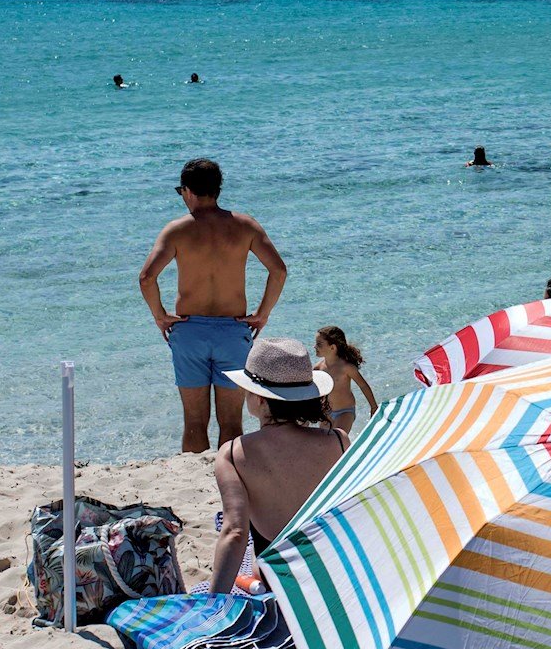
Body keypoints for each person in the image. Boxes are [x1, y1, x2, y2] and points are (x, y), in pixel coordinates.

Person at [138, 157, 289, 453]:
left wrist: (160, 316)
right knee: (231, 421)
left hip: (189, 331)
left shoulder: (177, 230)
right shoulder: (245, 226)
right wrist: (262, 315)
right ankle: (229, 475)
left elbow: (146, 278)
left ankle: (192, 476)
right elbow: (279, 271)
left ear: (188, 191)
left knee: (194, 420)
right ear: (217, 189)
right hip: (233, 332)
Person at [207, 340, 346, 594]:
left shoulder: (232, 454)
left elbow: (235, 532)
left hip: (278, 579)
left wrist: (212, 604)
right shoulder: (338, 441)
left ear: (259, 398)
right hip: (331, 571)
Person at [313, 325, 377, 436]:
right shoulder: (318, 368)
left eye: (319, 344)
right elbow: (313, 391)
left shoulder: (346, 367)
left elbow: (363, 386)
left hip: (345, 411)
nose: (314, 347)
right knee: (325, 442)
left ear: (332, 347)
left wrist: (373, 407)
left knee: (338, 438)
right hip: (326, 412)